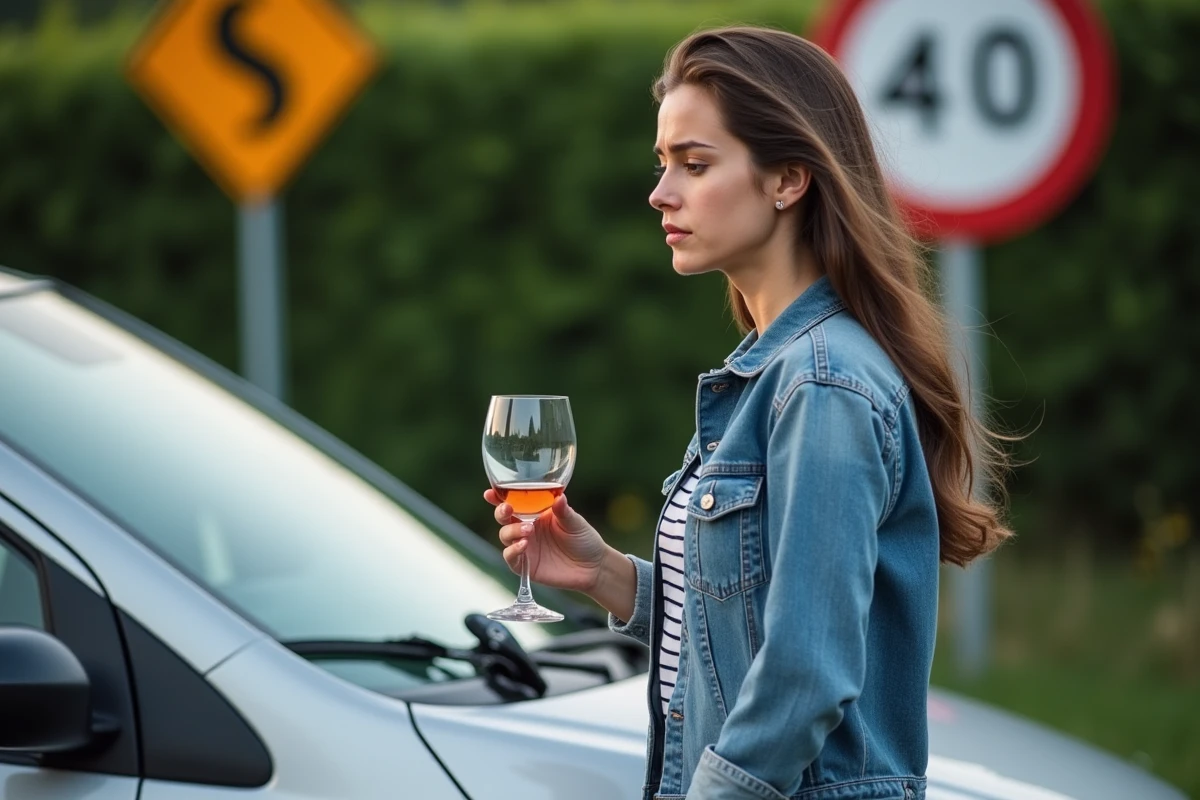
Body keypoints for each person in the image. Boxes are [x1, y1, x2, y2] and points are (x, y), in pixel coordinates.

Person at [485, 25, 1012, 800]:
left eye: (695, 165)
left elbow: (806, 671)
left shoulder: (821, 385)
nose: (662, 193)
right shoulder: (776, 371)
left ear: (787, 179)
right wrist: (606, 575)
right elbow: (749, 626)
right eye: (663, 165)